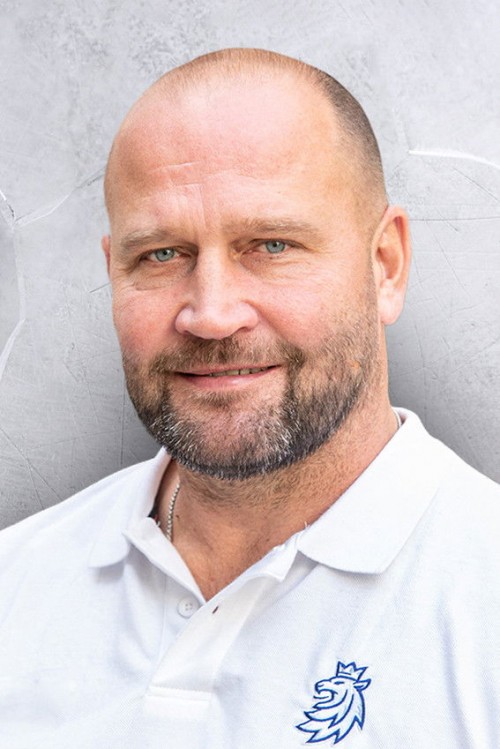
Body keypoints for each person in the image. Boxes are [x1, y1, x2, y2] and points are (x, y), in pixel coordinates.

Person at [0, 48, 499, 749]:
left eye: (271, 245)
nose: (211, 315)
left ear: (385, 266)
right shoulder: (16, 585)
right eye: (162, 255)